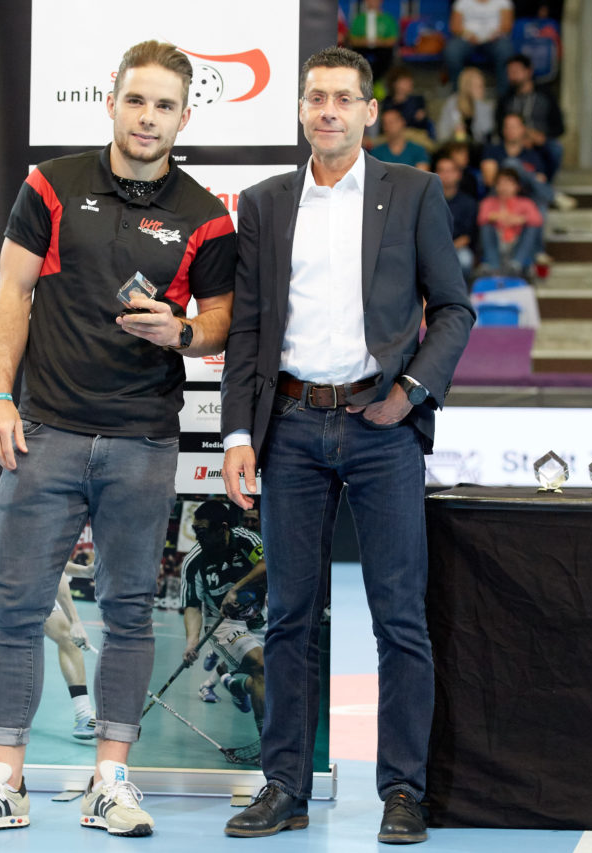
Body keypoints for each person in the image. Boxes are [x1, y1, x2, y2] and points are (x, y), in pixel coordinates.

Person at [0, 40, 237, 839]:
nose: (148, 117)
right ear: (111, 101)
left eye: (164, 105)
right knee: (16, 608)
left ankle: (111, 781)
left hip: (145, 439)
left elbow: (221, 321)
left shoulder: (206, 213)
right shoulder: (51, 184)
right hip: (45, 433)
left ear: (184, 117)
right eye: (137, 100)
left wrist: (180, 331)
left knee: (130, 613)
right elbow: (12, 295)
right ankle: (4, 781)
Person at [219, 45, 474, 845]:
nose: (327, 110)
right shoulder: (263, 203)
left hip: (380, 427)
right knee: (289, 616)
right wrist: (238, 432)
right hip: (290, 428)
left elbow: (454, 308)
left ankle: (403, 791)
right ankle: (284, 787)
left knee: (399, 616)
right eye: (315, 97)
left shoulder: (414, 192)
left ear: (370, 111)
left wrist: (410, 392)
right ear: (300, 109)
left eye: (342, 97)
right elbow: (249, 328)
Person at [180, 500, 267, 733]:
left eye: (202, 531)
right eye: (195, 530)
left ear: (223, 528)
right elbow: (192, 606)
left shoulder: (247, 539)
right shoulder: (193, 562)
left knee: (274, 679)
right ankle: (266, 742)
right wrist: (191, 643)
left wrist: (237, 588)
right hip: (222, 623)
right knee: (260, 665)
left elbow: (267, 564)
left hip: (258, 614)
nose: (197, 537)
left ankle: (235, 684)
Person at [43, 571, 98, 740]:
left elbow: (56, 561)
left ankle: (83, 715)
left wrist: (84, 570)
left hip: (34, 583)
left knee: (68, 636)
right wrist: (76, 620)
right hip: (1, 582)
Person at [496, 53, 565, 179]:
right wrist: (519, 139)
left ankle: (545, 182)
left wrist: (541, 137)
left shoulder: (546, 96)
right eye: (509, 72)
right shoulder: (505, 99)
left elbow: (559, 127)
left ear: (528, 71)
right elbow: (499, 127)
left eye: (516, 71)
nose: (512, 76)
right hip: (513, 142)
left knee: (556, 148)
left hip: (540, 143)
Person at [477, 167, 543, 278]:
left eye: (508, 183)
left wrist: (520, 219)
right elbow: (481, 218)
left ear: (517, 186)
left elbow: (538, 220)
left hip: (517, 243)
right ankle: (493, 266)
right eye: (500, 183)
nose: (504, 187)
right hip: (497, 242)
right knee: (486, 227)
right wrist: (496, 217)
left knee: (531, 227)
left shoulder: (526, 203)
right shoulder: (488, 202)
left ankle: (516, 264)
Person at [446, 0, 515, 96]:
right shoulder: (462, 2)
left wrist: (495, 34)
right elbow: (455, 27)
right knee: (452, 51)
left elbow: (507, 26)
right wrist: (468, 35)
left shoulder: (503, 2)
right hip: (468, 40)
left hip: (494, 40)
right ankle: (458, 94)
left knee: (505, 50)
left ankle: (504, 95)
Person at [434, 150, 478, 281]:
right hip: (431, 248)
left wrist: (446, 250)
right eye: (441, 170)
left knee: (465, 260)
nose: (446, 175)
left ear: (458, 174)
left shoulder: (468, 203)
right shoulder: (427, 201)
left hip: (457, 248)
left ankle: (460, 292)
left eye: (450, 171)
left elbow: (467, 236)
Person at [435, 67, 496, 145]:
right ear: (467, 87)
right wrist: (454, 132)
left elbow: (486, 131)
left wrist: (478, 104)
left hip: (479, 148)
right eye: (479, 86)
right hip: (455, 146)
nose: (483, 90)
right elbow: (442, 134)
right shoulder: (452, 103)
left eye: (483, 86)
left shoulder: (485, 107)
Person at [348, 0, 398, 82]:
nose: (372, 2)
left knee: (385, 56)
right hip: (362, 49)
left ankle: (377, 82)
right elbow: (352, 40)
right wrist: (365, 42)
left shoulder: (388, 19)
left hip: (382, 51)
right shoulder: (358, 19)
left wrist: (379, 42)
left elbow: (392, 40)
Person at [379, 65, 430, 136]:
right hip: (392, 136)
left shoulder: (418, 101)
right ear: (395, 83)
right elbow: (385, 126)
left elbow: (423, 124)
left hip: (415, 136)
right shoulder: (387, 103)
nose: (410, 83)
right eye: (405, 81)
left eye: (410, 80)